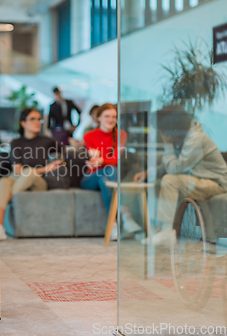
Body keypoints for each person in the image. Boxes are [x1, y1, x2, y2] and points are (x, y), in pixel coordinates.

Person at [134, 105, 227, 245]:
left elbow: (174, 168)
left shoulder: (195, 139)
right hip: (198, 179)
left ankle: (166, 231)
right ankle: (157, 229)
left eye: (162, 130)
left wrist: (167, 145)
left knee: (170, 181)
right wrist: (148, 173)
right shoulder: (184, 137)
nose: (161, 133)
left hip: (215, 183)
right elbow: (173, 164)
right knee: (158, 182)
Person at [0, 108, 68, 240]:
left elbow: (66, 152)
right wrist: (46, 168)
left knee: (30, 172)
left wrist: (58, 163)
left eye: (39, 119)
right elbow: (17, 171)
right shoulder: (16, 143)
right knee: (3, 182)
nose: (38, 122)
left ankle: (8, 197)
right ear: (23, 123)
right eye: (33, 119)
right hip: (18, 178)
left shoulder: (46, 141)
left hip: (38, 182)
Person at [81, 103, 139, 239]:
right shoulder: (89, 136)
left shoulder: (121, 134)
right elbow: (100, 162)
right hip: (90, 177)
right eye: (107, 116)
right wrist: (101, 161)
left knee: (105, 178)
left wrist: (101, 160)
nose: (111, 120)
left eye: (114, 116)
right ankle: (126, 215)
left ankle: (113, 226)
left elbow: (117, 159)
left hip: (107, 176)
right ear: (99, 118)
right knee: (110, 170)